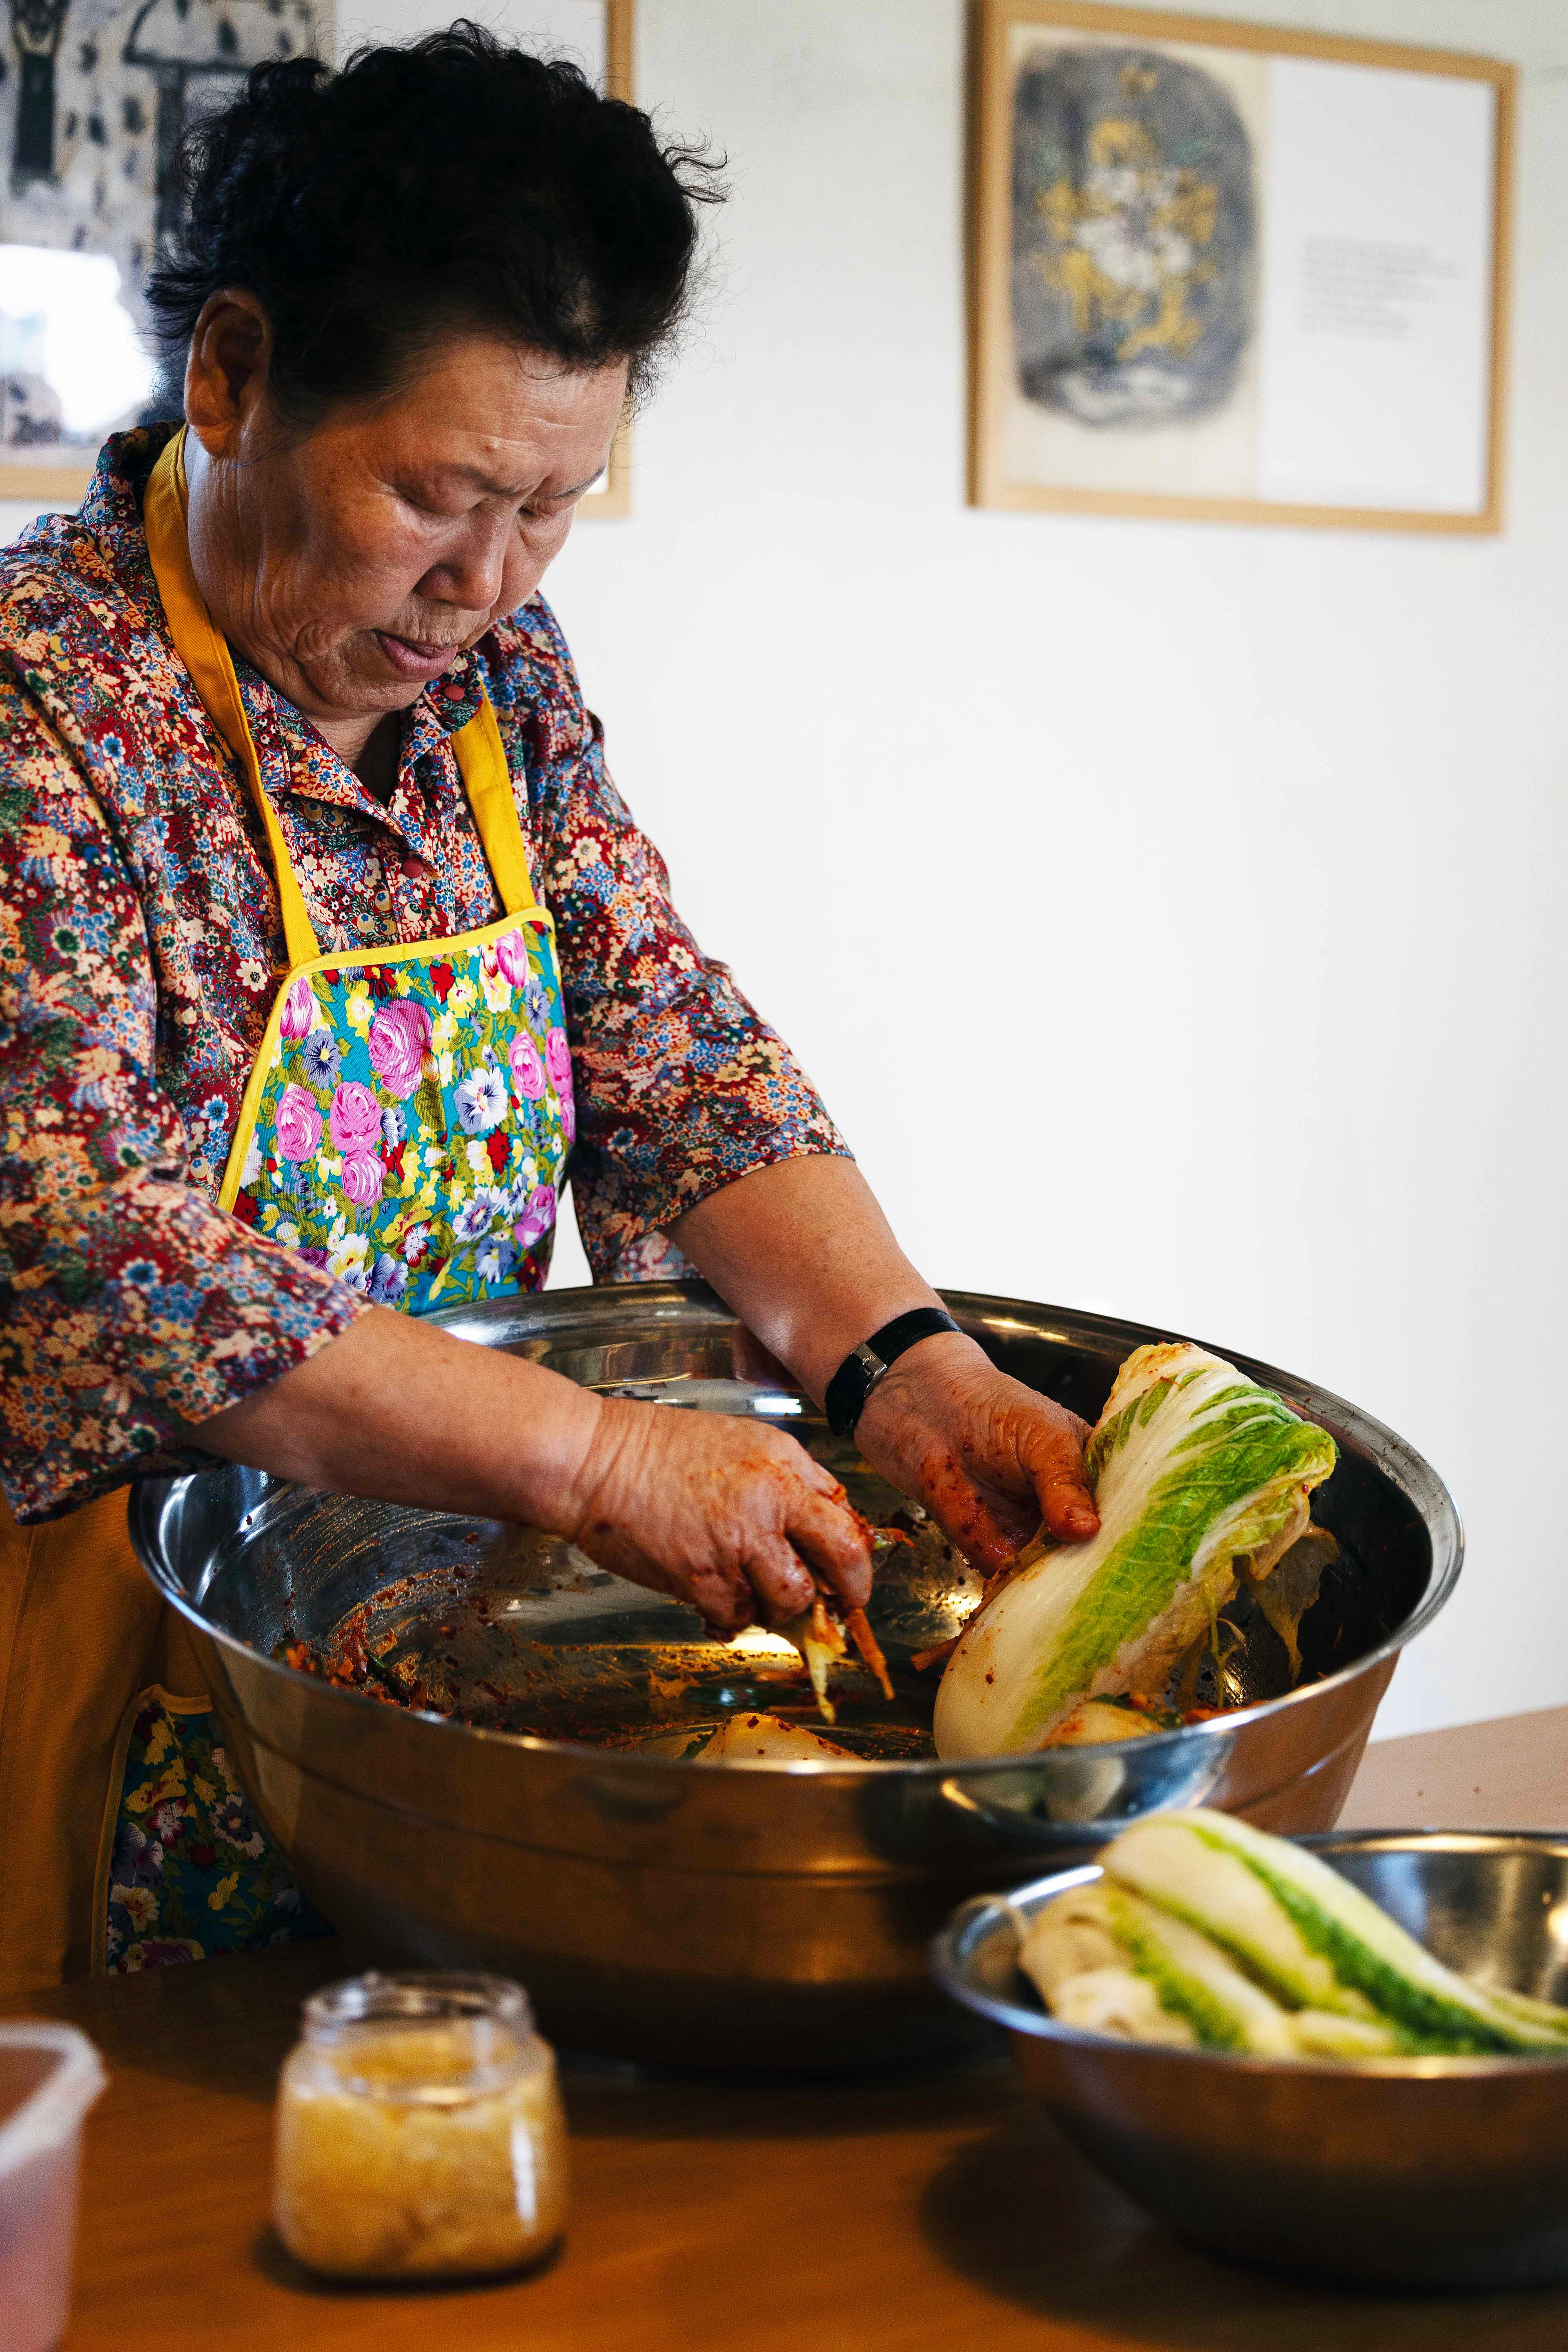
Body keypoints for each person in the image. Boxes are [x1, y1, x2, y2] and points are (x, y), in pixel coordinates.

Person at [0, 25, 1096, 1994]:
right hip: (95, 1733)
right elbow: (90, 1248)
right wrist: (602, 1465)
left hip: (414, 1713)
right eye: (439, 494)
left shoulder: (493, 682)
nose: (488, 583)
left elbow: (662, 1043)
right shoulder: (40, 712)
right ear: (233, 373)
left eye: (555, 506)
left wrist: (902, 1364)